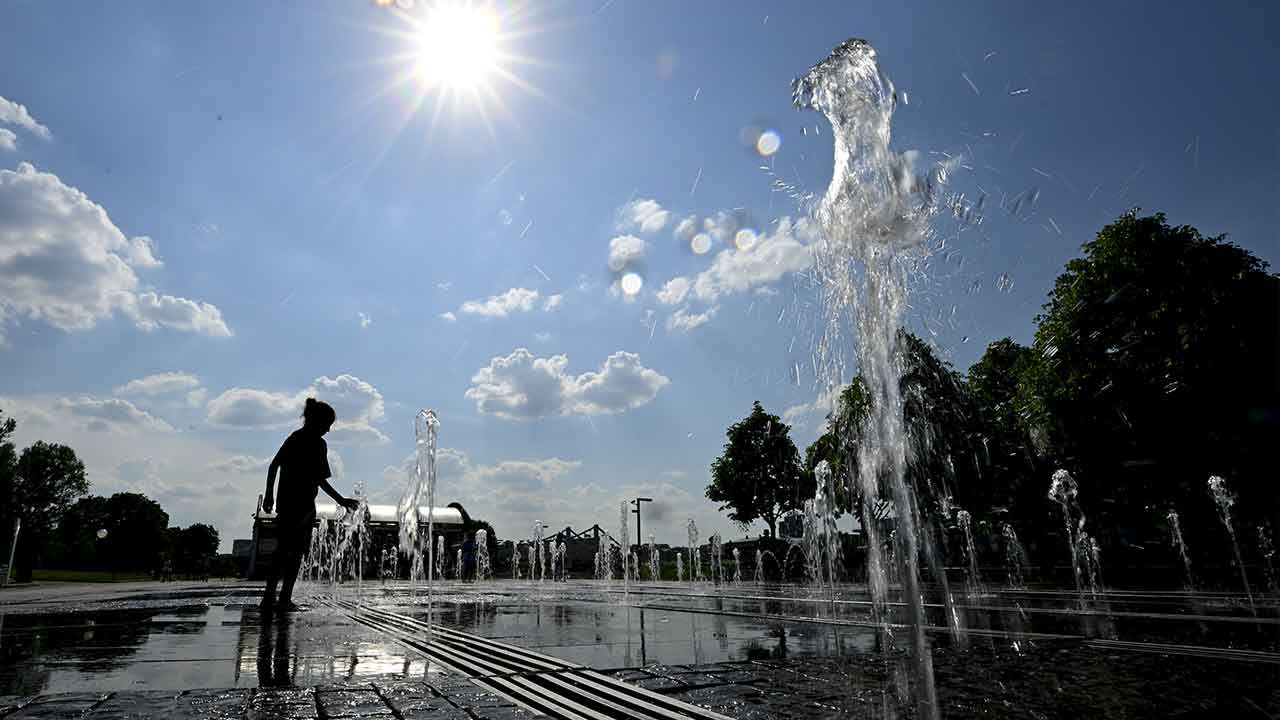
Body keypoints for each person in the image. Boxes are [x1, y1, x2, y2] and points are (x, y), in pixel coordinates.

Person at [260, 398, 359, 613]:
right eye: (327, 424)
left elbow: (273, 466)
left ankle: (269, 598)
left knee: (282, 551)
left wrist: (270, 495)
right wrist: (341, 500)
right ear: (317, 421)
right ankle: (283, 599)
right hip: (301, 505)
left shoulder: (296, 437)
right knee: (293, 553)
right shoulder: (315, 443)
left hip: (288, 502)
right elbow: (319, 479)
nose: (329, 430)